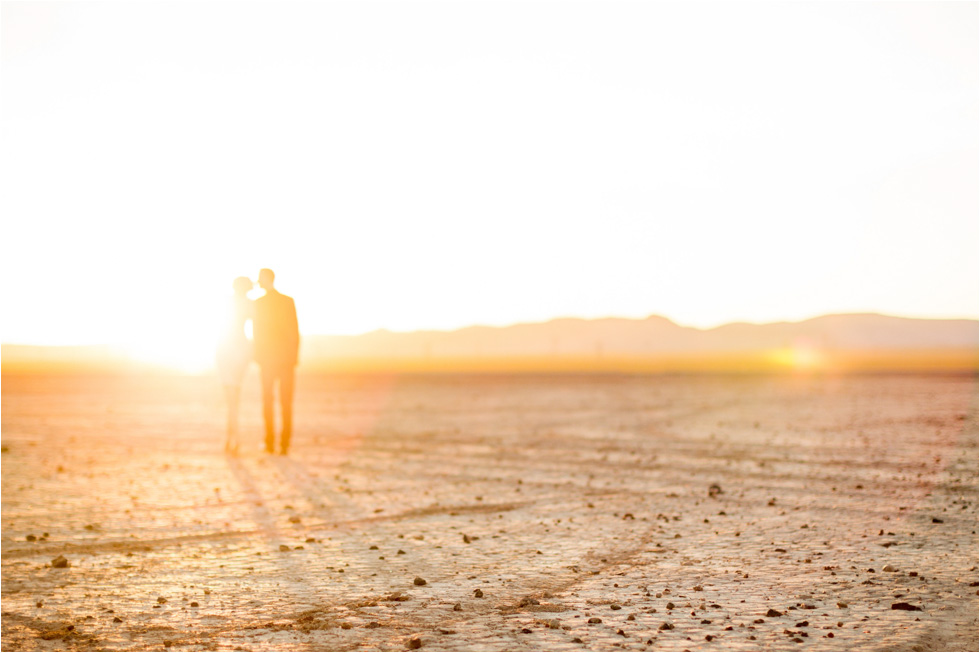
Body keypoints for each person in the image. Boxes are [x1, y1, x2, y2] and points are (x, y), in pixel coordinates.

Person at [253, 268, 299, 455]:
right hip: (286, 359)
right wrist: (294, 357)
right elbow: (294, 332)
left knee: (268, 400)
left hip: (268, 360)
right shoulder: (287, 301)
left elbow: (257, 333)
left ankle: (270, 441)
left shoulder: (259, 303)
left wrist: (258, 356)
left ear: (265, 279)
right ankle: (285, 444)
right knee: (286, 402)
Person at [216, 276, 254, 455]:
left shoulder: (227, 303)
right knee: (234, 398)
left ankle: (231, 437)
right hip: (238, 349)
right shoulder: (249, 304)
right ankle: (233, 437)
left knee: (230, 398)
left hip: (227, 349)